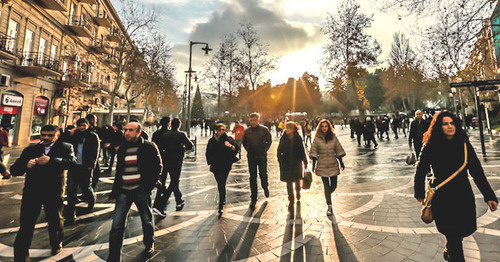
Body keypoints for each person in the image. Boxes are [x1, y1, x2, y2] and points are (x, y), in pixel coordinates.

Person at [414, 111, 497, 262]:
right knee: (452, 234)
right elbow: (420, 170)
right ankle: (453, 251)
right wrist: (419, 193)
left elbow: (477, 173)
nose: (449, 126)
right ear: (439, 127)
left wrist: (489, 196)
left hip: (463, 195)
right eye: (445, 124)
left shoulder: (464, 145)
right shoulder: (430, 146)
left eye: (452, 123)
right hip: (443, 198)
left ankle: (450, 249)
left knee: (462, 231)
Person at [10, 125, 76, 260]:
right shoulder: (31, 149)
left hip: (53, 191)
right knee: (26, 224)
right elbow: (14, 170)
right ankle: (21, 255)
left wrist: (52, 160)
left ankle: (56, 243)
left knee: (55, 220)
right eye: (43, 134)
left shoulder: (65, 147)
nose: (46, 137)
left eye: (50, 135)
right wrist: (26, 165)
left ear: (57, 136)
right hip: (32, 192)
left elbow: (72, 164)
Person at [108, 122, 162, 261]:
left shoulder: (148, 147)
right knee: (116, 225)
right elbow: (119, 171)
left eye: (130, 130)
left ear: (139, 132)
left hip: (141, 189)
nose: (126, 132)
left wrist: (148, 186)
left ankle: (149, 242)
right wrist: (114, 192)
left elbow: (158, 167)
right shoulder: (122, 148)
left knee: (146, 219)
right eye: (125, 129)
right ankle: (113, 256)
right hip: (123, 191)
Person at [152, 118, 193, 217]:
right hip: (176, 161)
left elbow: (160, 146)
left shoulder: (164, 135)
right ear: (178, 125)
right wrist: (182, 148)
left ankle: (176, 200)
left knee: (164, 181)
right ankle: (161, 204)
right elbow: (190, 146)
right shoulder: (181, 135)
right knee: (174, 182)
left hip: (165, 160)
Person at [65, 118, 100, 224]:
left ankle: (91, 199)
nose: (81, 128)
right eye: (79, 125)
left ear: (88, 125)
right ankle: (71, 214)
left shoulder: (93, 136)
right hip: (74, 166)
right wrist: (71, 132)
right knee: (71, 190)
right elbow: (62, 141)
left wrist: (92, 165)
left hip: (86, 167)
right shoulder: (74, 135)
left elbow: (96, 151)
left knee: (86, 187)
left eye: (84, 125)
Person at [309, 119, 346, 216]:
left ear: (329, 127)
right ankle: (329, 206)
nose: (324, 128)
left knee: (333, 186)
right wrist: (313, 165)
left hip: (333, 163)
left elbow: (338, 149)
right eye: (322, 126)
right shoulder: (317, 139)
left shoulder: (333, 137)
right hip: (322, 165)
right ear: (320, 128)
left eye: (326, 126)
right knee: (326, 186)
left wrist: (341, 162)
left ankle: (327, 194)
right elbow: (314, 151)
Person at [206, 123, 239, 215]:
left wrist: (230, 146)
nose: (222, 131)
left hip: (225, 165)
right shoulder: (212, 140)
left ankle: (220, 205)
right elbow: (208, 152)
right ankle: (223, 198)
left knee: (222, 183)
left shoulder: (228, 139)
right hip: (216, 165)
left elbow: (237, 148)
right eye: (220, 129)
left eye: (223, 130)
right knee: (220, 183)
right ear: (216, 130)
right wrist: (210, 162)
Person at [242, 112, 272, 209]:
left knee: (263, 174)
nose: (252, 122)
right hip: (251, 156)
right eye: (251, 120)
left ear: (258, 120)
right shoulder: (247, 131)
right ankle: (253, 198)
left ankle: (265, 187)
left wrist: (264, 150)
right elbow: (244, 143)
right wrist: (249, 150)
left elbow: (269, 141)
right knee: (252, 177)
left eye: (254, 120)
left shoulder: (264, 130)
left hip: (262, 156)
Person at [277, 121, 308, 211]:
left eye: (290, 128)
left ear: (294, 129)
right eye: (287, 128)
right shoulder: (283, 138)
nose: (288, 130)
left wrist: (305, 161)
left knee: (297, 179)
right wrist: (280, 159)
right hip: (286, 163)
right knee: (288, 182)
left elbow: (302, 150)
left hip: (296, 162)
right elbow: (279, 150)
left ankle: (298, 191)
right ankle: (291, 199)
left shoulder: (298, 138)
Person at [86, 114, 102, 190]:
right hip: (91, 155)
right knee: (95, 173)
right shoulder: (92, 130)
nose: (96, 121)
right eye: (95, 119)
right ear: (92, 120)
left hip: (89, 155)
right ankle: (90, 190)